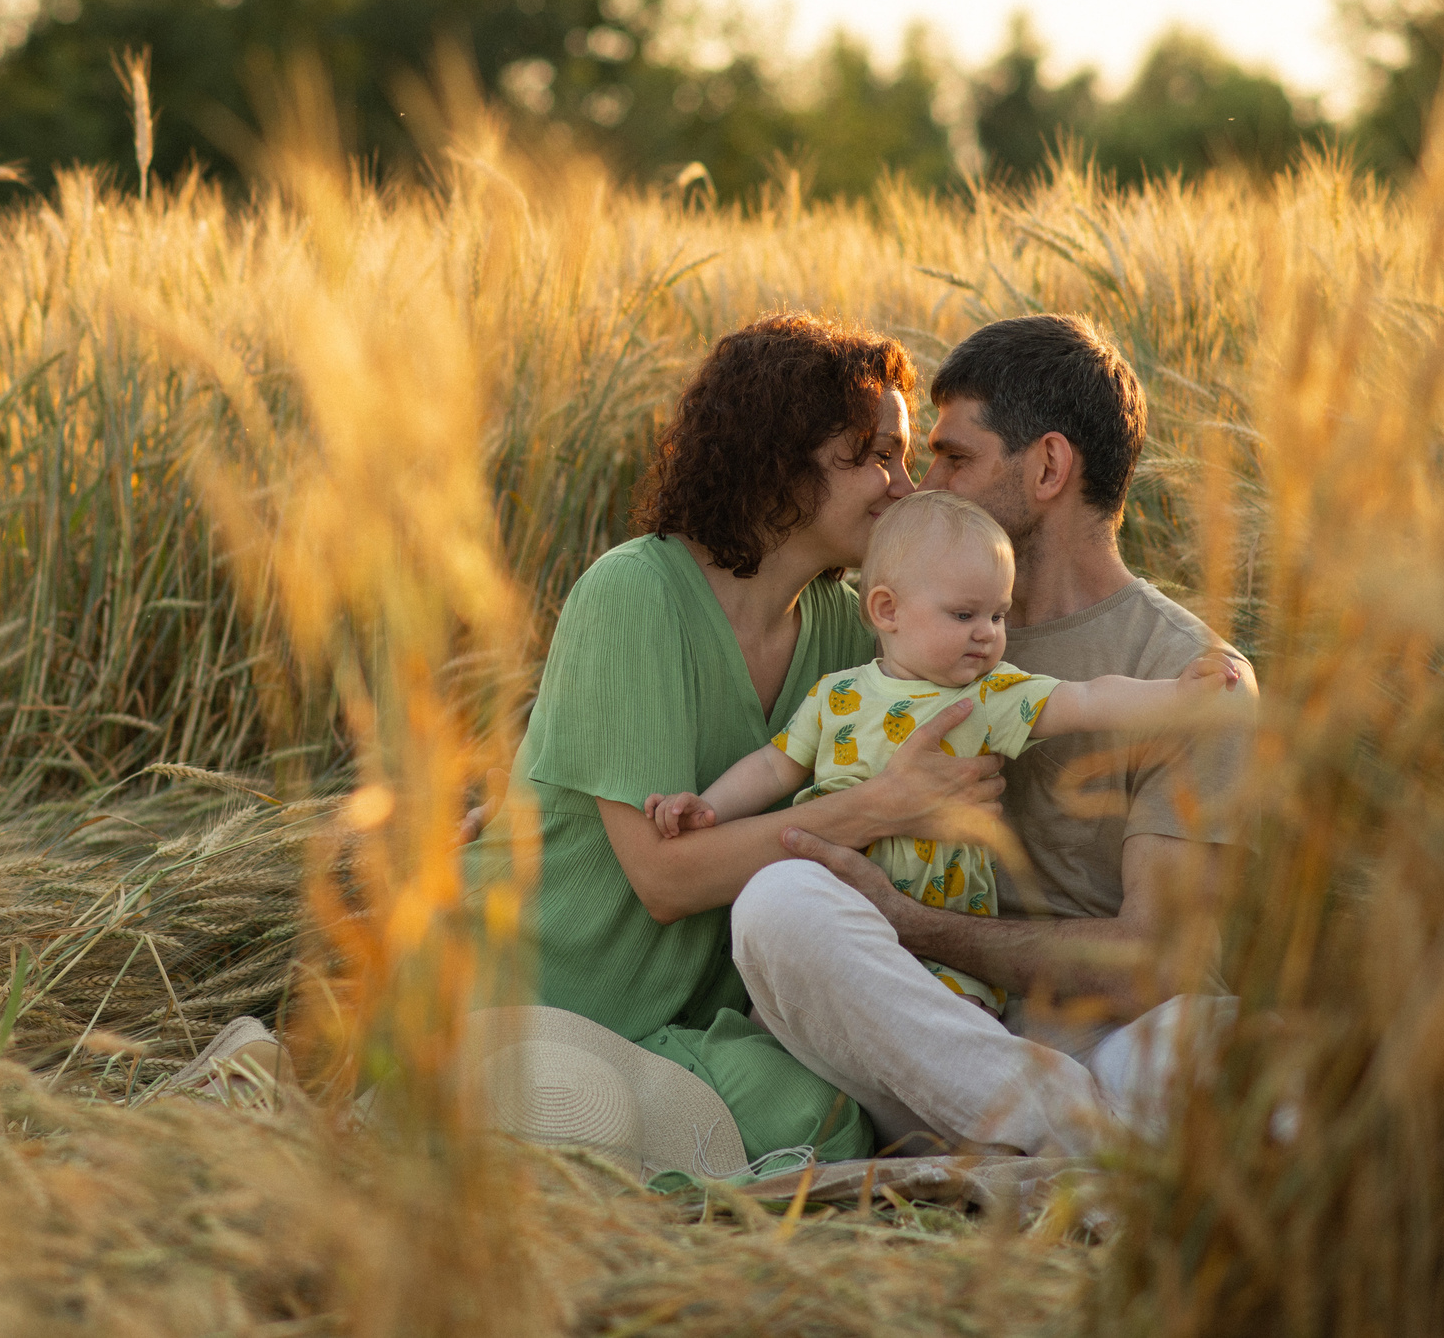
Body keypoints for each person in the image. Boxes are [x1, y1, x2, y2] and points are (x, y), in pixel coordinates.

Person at [459, 312, 1014, 1166]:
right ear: (774, 461)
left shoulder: (849, 627)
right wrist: (879, 806)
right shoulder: (631, 594)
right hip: (530, 987)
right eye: (872, 455)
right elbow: (663, 875)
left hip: (692, 1026)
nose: (904, 485)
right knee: (571, 1104)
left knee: (827, 1114)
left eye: (903, 456)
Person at [730, 313, 1252, 1157]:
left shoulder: (1187, 675)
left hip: (1103, 1040)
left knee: (1227, 1042)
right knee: (774, 908)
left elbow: (1156, 962)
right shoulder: (903, 618)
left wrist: (914, 921)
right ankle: (1085, 1150)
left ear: (1047, 465)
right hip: (926, 1027)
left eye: (954, 456)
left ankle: (1035, 1142)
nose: (918, 484)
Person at [644, 489, 1249, 1017]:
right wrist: (709, 808)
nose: (987, 631)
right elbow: (773, 766)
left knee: (951, 1017)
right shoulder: (837, 693)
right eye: (964, 614)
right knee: (780, 924)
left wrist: (1177, 693)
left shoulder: (991, 694)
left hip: (945, 941)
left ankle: (984, 1079)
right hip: (843, 918)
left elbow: (1089, 699)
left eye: (997, 614)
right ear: (887, 611)